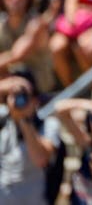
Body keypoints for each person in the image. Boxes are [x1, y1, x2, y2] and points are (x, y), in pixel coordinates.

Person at [0, 72, 61, 205]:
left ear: (35, 100)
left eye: (24, 96)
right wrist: (9, 84)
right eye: (13, 95)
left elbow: (41, 160)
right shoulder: (3, 120)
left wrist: (25, 120)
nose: (18, 100)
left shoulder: (48, 125)